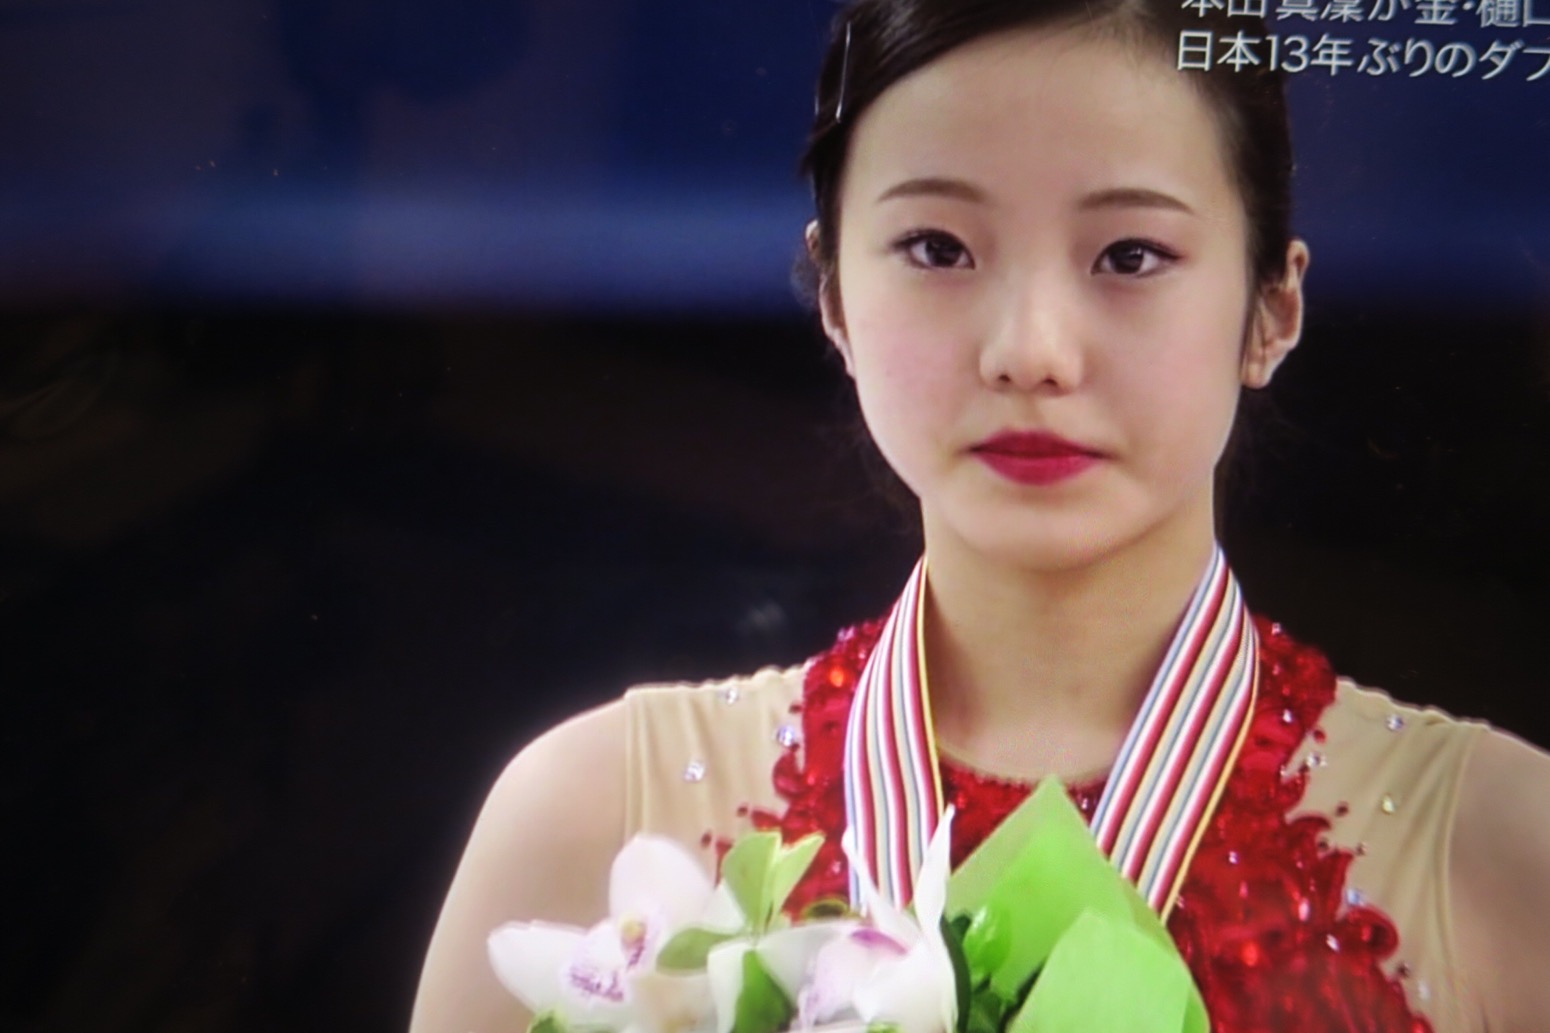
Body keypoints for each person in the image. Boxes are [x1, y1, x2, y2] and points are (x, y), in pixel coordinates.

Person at [410, 1, 1550, 1030]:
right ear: (834, 295)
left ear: (1271, 305)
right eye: (937, 248)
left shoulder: (1503, 858)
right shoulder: (596, 825)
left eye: (1130, 255)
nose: (1030, 351)